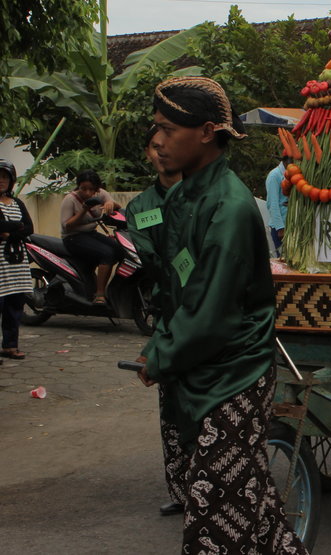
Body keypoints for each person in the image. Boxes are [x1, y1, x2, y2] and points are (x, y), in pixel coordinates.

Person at [131, 76, 307, 553]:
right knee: (251, 510)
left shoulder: (228, 207)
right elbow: (175, 286)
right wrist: (162, 346)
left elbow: (209, 311)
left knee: (217, 523)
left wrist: (161, 355)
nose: (158, 142)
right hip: (197, 368)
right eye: (156, 130)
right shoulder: (181, 197)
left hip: (232, 376)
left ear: (207, 132)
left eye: (168, 129)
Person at [125, 126, 185, 517]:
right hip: (166, 311)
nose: (161, 152)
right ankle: (180, 489)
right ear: (148, 153)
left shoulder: (203, 195)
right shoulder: (142, 204)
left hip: (203, 302)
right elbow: (149, 252)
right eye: (153, 146)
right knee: (172, 407)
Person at [59, 170, 121, 305]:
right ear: (78, 187)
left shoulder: (101, 194)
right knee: (108, 254)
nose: (87, 193)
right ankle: (99, 294)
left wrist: (111, 204)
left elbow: (116, 207)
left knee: (119, 249)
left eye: (91, 189)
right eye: (83, 189)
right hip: (73, 238)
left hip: (91, 234)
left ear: (96, 189)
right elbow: (66, 226)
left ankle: (116, 289)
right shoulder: (70, 199)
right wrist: (84, 209)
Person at [0, 160, 33, 362]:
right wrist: (16, 227)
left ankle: (10, 346)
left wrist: (8, 232)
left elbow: (29, 228)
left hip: (16, 263)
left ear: (11, 181)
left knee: (15, 305)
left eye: (4, 177)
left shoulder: (18, 203)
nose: (1, 181)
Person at [266, 155, 291, 256]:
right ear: (285, 161)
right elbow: (273, 204)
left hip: (290, 225)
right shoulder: (274, 175)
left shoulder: (291, 174)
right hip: (280, 228)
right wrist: (280, 228)